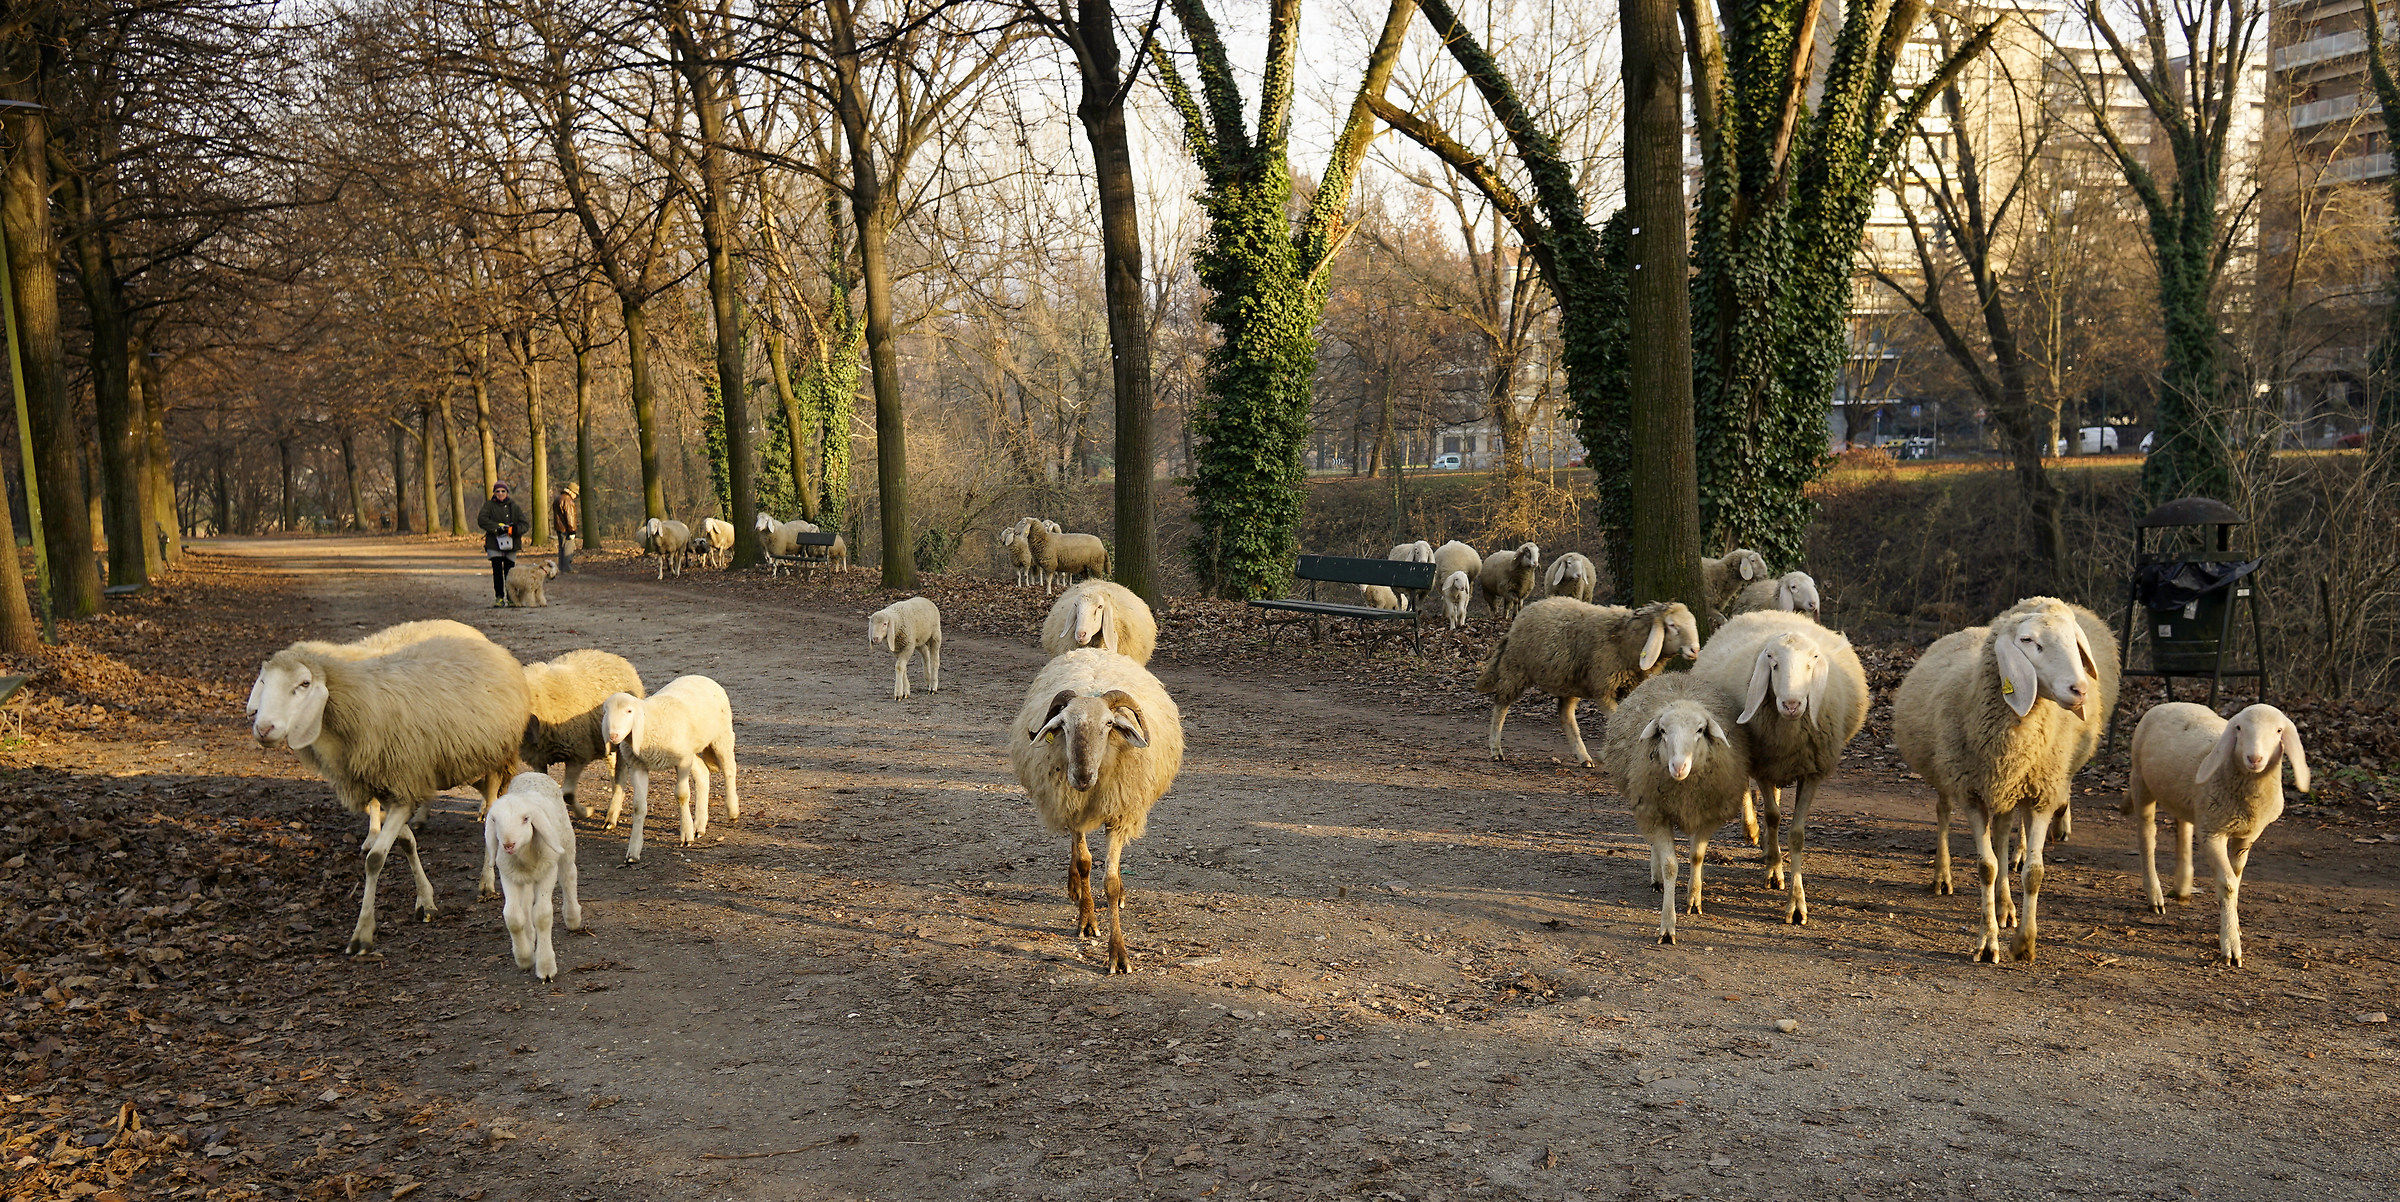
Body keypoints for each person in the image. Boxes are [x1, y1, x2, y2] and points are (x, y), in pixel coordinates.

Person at [477, 482, 528, 606]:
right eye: (497, 491)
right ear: (494, 493)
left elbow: (525, 524)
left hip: (511, 544)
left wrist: (514, 530)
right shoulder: (489, 506)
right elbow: (482, 520)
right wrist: (497, 528)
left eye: (503, 491)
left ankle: (511, 598)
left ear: (507, 493)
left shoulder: (514, 507)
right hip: (494, 543)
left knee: (510, 573)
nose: (500, 493)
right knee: (497, 572)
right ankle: (499, 598)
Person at [552, 482, 580, 573]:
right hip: (566, 529)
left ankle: (561, 567)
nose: (575, 496)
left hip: (559, 527)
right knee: (568, 548)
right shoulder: (568, 500)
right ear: (571, 492)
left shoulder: (558, 498)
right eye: (575, 494)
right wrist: (572, 531)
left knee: (561, 548)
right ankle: (567, 568)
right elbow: (570, 517)